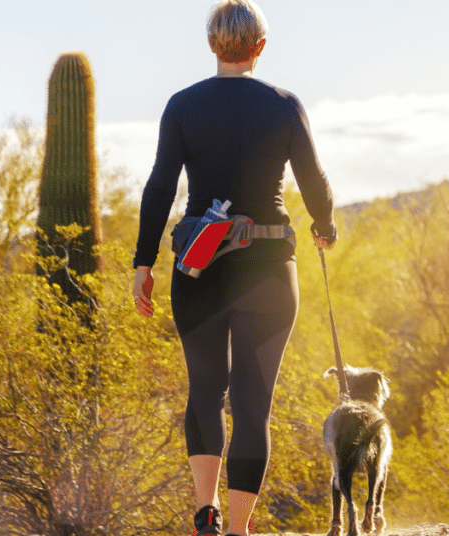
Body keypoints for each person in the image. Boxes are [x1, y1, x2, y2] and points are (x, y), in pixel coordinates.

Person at [130, 1, 337, 535]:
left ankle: (206, 516)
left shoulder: (182, 105)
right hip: (269, 268)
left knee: (204, 390)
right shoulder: (284, 105)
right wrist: (325, 225)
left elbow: (159, 187)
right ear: (260, 47)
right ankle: (240, 530)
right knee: (251, 405)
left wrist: (143, 261)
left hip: (198, 267)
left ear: (212, 44)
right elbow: (313, 179)